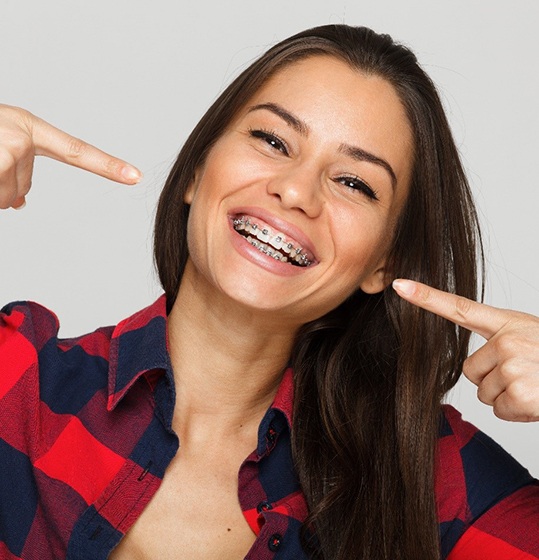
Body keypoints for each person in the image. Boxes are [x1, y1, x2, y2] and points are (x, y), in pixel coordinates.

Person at [0, 24, 538, 560]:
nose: (296, 191)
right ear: (196, 171)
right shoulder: (18, 380)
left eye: (353, 182)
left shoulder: (429, 477)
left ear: (383, 263)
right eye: (272, 141)